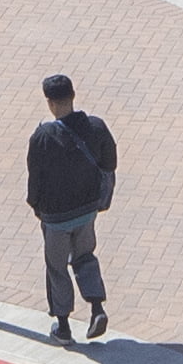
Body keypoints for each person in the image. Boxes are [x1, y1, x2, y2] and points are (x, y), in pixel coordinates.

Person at [22, 73, 118, 342]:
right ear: (73, 96)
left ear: (50, 103)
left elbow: (35, 179)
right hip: (87, 210)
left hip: (55, 218)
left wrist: (37, 206)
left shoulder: (42, 137)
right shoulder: (96, 127)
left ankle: (63, 326)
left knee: (56, 266)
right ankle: (96, 306)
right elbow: (110, 162)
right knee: (85, 256)